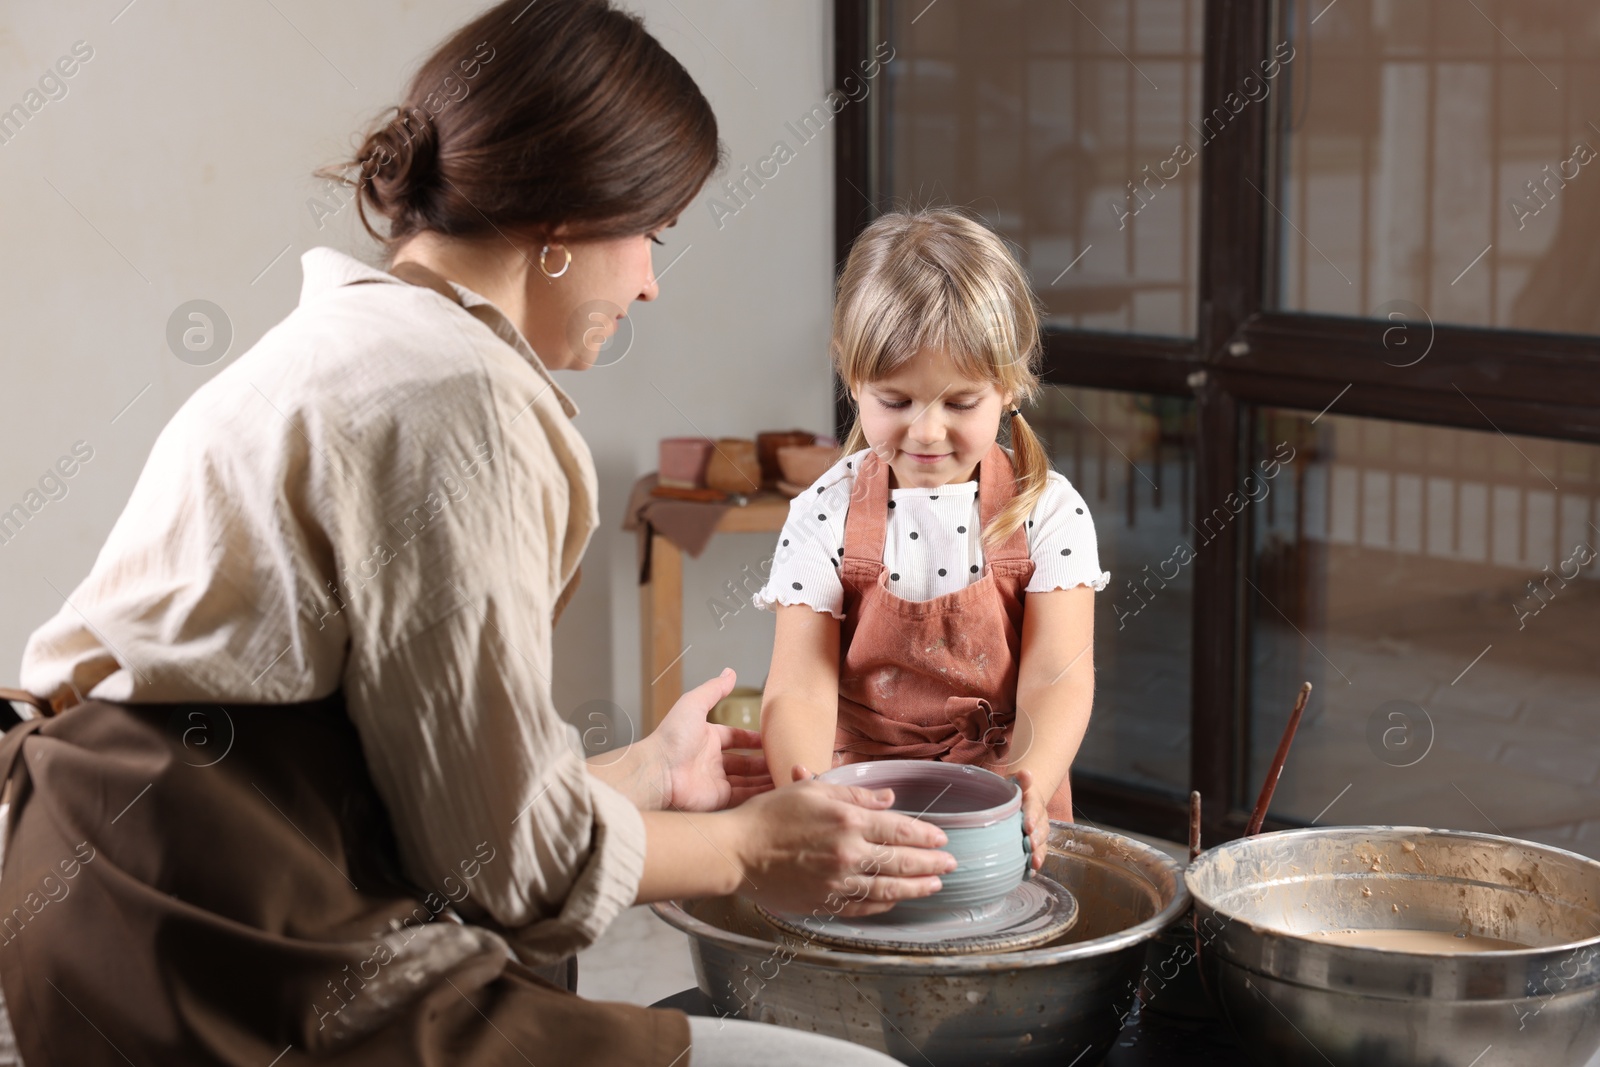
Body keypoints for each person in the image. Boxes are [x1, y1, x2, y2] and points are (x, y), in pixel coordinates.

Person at [0, 3, 952, 1065]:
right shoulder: (458, 398)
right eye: (649, 233)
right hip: (240, 951)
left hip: (105, 918)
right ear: (563, 221)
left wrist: (639, 774)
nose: (646, 279)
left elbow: (402, 797)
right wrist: (744, 848)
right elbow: (505, 866)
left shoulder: (353, 340)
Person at [755, 208, 1111, 867]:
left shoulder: (1048, 512)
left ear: (1007, 387)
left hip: (1005, 799)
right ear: (851, 377)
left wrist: (1024, 781)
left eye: (958, 402)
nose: (924, 431)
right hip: (859, 807)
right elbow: (800, 684)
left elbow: (1056, 676)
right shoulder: (823, 513)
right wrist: (808, 799)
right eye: (894, 401)